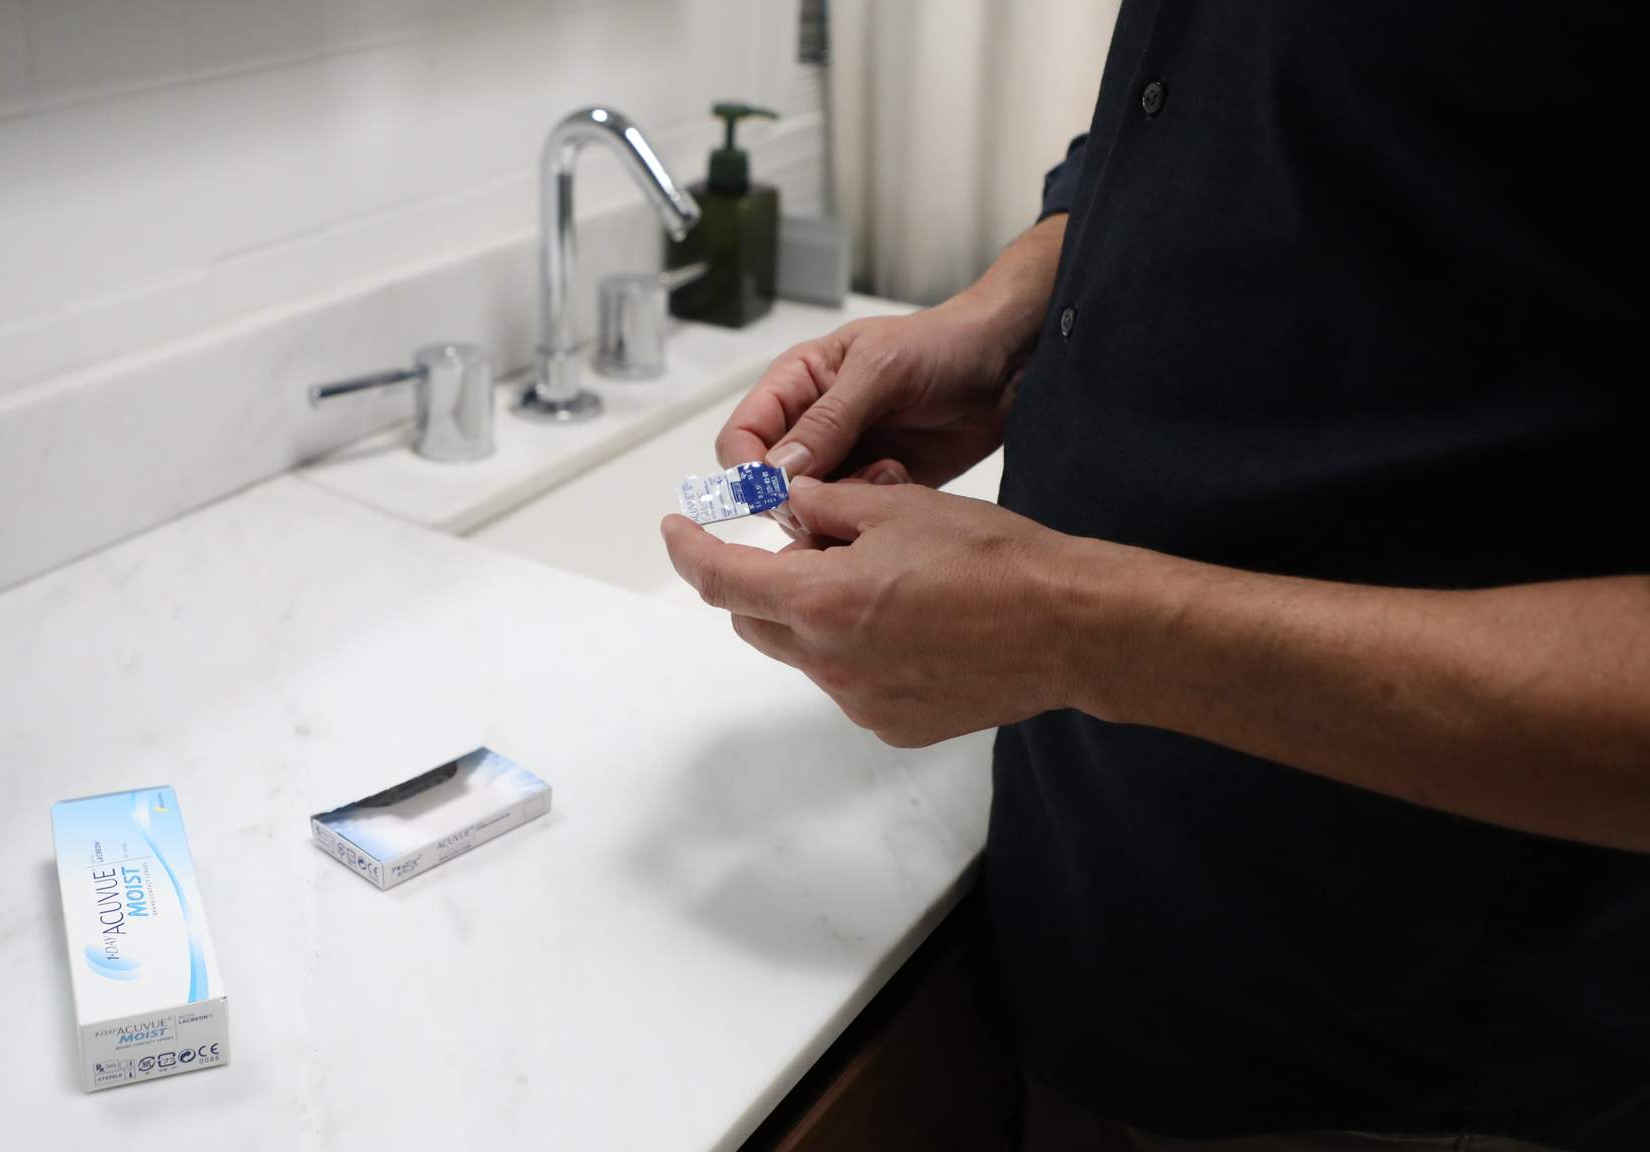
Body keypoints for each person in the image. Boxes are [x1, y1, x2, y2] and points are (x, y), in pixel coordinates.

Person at [660, 4, 1649, 1150]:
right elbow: (1236, 117)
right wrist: (1009, 317)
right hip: (1102, 967)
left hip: (1422, 1063)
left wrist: (1066, 626)